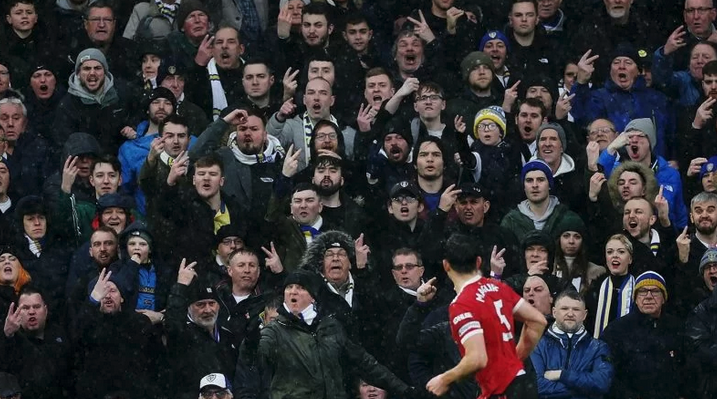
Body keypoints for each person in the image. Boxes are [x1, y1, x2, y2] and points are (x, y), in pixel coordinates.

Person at [248, 269, 417, 399]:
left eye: (300, 288)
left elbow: (366, 364)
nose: (293, 292)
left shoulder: (331, 327)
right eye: (289, 287)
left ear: (313, 297)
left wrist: (405, 390)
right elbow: (256, 356)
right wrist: (251, 338)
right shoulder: (275, 330)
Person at [425, 233, 547, 398]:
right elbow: (538, 321)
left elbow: (477, 358)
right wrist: (515, 358)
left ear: (446, 265)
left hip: (501, 390)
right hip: (523, 385)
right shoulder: (497, 288)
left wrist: (444, 379)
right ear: (479, 262)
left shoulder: (461, 304)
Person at [602, 271, 686, 399]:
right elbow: (606, 373)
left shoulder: (677, 328)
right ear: (635, 298)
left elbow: (686, 368)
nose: (648, 296)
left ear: (664, 298)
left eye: (655, 291)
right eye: (642, 291)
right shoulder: (616, 330)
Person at [530, 290, 613, 398]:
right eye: (564, 308)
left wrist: (563, 375)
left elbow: (602, 383)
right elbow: (536, 386)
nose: (570, 314)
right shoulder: (537, 346)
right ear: (554, 312)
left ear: (584, 315)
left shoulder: (598, 348)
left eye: (576, 309)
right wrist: (582, 391)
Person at [1, 285, 72, 399]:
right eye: (25, 308)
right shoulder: (10, 339)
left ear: (46, 310)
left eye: (36, 307)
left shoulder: (60, 336)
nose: (32, 312)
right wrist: (8, 336)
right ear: (17, 312)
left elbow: (52, 372)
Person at [500, 160, 583, 242]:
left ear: (549, 185)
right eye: (529, 180)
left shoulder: (569, 219)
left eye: (540, 180)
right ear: (524, 187)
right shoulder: (510, 221)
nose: (535, 185)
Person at [585, 234, 636, 338]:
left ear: (630, 259)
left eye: (621, 252)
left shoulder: (638, 289)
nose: (615, 255)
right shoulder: (595, 288)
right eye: (610, 252)